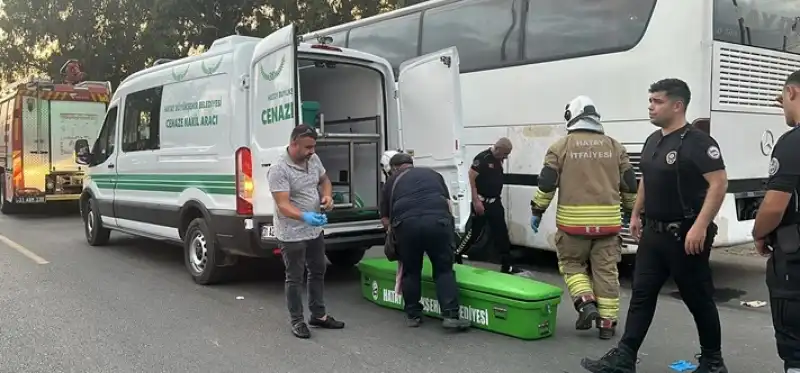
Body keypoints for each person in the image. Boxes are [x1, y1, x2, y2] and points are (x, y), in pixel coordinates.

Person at [581, 79, 729, 373]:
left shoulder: (698, 142)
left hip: (685, 235)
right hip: (654, 234)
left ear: (677, 105)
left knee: (697, 299)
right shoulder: (653, 140)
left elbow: (719, 182)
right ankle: (625, 357)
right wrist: (635, 213)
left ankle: (713, 362)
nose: (651, 106)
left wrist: (700, 226)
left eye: (657, 101)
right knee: (642, 294)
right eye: (650, 100)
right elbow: (646, 178)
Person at [529, 95, 636, 340]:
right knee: (606, 272)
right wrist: (631, 211)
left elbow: (547, 183)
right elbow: (630, 184)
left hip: (572, 226)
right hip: (608, 226)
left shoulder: (561, 147)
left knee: (572, 264)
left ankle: (586, 303)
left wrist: (537, 210)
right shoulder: (614, 146)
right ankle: (607, 325)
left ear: (571, 116)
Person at [267, 124, 345, 339]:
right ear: (294, 144)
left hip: (314, 231)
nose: (312, 151)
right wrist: (305, 216)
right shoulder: (278, 169)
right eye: (307, 147)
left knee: (318, 270)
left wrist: (327, 197)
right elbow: (283, 204)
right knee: (294, 277)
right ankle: (297, 320)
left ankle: (318, 315)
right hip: (291, 233)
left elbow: (324, 180)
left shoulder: (313, 159)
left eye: (313, 146)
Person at [379, 151, 471, 330]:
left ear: (394, 168)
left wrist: (393, 235)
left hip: (407, 226)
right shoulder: (433, 174)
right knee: (443, 269)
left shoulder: (391, 181)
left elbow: (384, 218)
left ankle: (413, 315)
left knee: (411, 270)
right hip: (438, 222)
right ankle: (450, 315)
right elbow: (447, 203)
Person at [752, 69, 800, 373]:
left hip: (795, 265)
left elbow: (774, 206)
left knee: (795, 348)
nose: (781, 106)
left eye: (781, 99)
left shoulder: (792, 142)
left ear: (793, 93)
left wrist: (758, 233)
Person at [457, 137, 521, 274]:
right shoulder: (483, 158)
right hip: (482, 202)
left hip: (495, 203)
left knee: (501, 234)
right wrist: (476, 201)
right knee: (474, 233)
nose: (506, 157)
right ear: (497, 149)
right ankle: (456, 254)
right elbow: (471, 177)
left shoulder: (498, 160)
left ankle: (507, 265)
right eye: (504, 154)